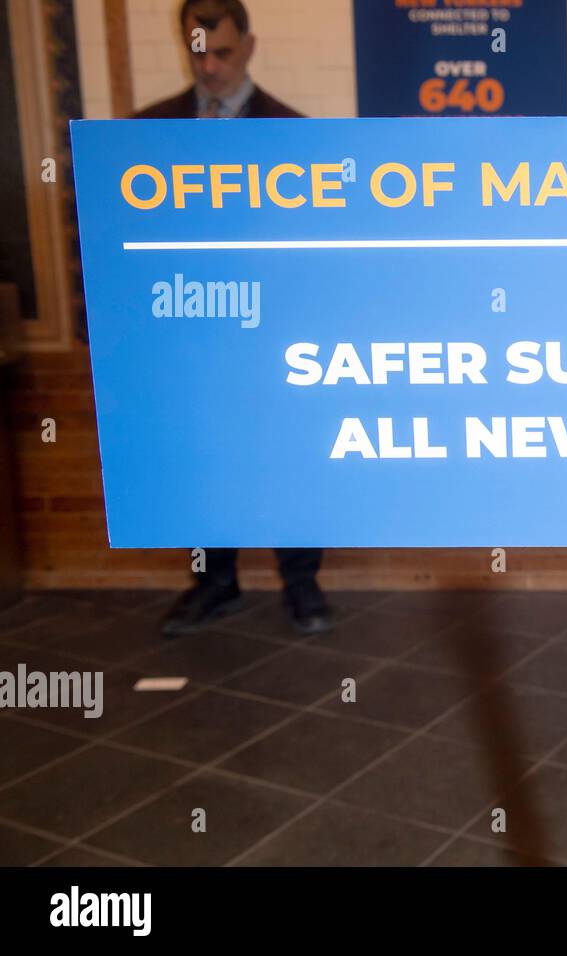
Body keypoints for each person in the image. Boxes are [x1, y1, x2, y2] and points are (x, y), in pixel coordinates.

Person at [135, 0, 332, 636]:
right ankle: (214, 582)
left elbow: (313, 247)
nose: (211, 66)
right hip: (189, 332)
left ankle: (302, 584)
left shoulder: (292, 132)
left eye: (222, 52)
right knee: (198, 457)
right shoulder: (148, 132)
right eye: (198, 52)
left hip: (274, 331)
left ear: (248, 46)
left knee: (289, 456)